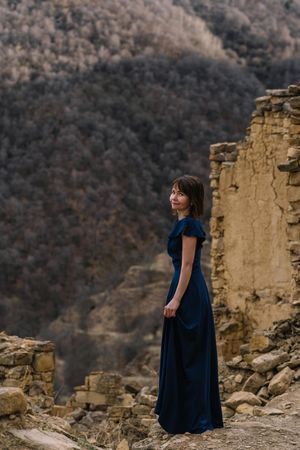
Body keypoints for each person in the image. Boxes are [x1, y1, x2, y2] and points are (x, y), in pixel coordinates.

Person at [154, 174, 224, 434]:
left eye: (180, 193)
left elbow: (187, 264)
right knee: (182, 354)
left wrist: (175, 299)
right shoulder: (181, 224)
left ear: (192, 200)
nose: (174, 197)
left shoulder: (190, 227)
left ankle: (195, 418)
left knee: (190, 355)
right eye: (172, 191)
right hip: (182, 287)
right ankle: (183, 416)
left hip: (188, 293)